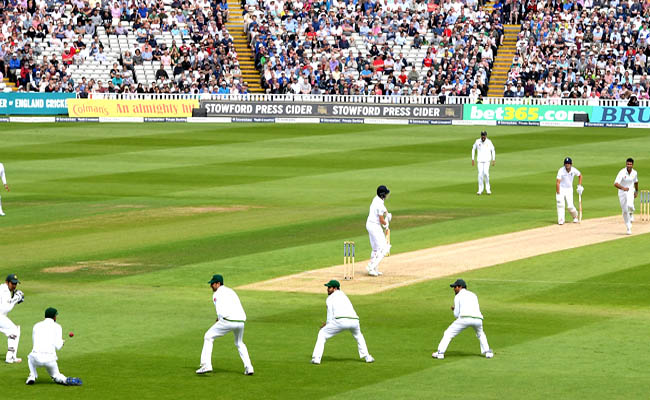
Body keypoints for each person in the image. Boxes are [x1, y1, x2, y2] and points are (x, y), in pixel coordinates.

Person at [197, 274, 254, 375]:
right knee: (239, 342)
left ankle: (206, 365)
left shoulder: (216, 294)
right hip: (241, 321)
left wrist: (219, 319)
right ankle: (249, 367)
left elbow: (219, 309)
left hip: (228, 321)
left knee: (208, 336)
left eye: (213, 284)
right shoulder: (231, 291)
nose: (211, 286)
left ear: (218, 284)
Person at [311, 280, 374, 365]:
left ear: (335, 288)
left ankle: (316, 358)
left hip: (341, 321)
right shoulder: (344, 295)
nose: (327, 289)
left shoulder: (330, 298)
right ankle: (368, 357)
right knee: (359, 336)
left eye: (329, 287)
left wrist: (327, 324)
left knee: (322, 333)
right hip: (354, 320)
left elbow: (330, 313)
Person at [432, 279, 493, 359]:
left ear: (460, 287)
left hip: (465, 318)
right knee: (481, 333)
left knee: (448, 333)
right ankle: (488, 352)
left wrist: (455, 310)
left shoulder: (458, 296)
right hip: (478, 319)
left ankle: (440, 353)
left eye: (455, 287)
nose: (454, 289)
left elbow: (457, 314)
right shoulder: (473, 295)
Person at [26, 308, 82, 386]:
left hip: (36, 357)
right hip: (50, 359)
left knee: (30, 358)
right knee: (56, 376)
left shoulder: (36, 325)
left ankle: (32, 376)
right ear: (54, 317)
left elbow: (34, 341)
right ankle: (64, 380)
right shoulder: (58, 327)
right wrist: (62, 342)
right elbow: (58, 346)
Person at [366, 185, 391, 277]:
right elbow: (381, 220)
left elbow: (383, 209)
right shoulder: (379, 204)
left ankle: (374, 268)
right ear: (382, 195)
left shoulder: (376, 199)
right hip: (374, 226)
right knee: (384, 248)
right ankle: (371, 267)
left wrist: (387, 214)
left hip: (370, 224)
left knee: (376, 248)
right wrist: (386, 224)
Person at [0, 273, 23, 364]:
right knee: (14, 330)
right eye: (12, 283)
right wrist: (16, 299)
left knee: (15, 330)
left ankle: (12, 356)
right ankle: (10, 357)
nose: (14, 286)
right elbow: (5, 308)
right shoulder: (5, 291)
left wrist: (14, 299)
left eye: (15, 283)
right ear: (7, 282)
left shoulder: (3, 289)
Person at [614, 158, 638, 235]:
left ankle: (631, 212)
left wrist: (636, 191)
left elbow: (636, 182)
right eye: (628, 164)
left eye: (630, 164)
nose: (629, 165)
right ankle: (628, 227)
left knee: (630, 205)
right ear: (626, 164)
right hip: (622, 192)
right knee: (624, 211)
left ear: (632, 165)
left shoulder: (634, 172)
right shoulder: (622, 172)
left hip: (630, 190)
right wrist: (623, 188)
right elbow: (615, 183)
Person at [556, 157, 583, 225]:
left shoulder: (573, 170)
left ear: (571, 164)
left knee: (570, 206)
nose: (567, 165)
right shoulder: (561, 170)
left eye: (568, 164)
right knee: (560, 204)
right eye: (566, 164)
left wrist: (579, 185)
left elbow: (580, 175)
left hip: (569, 189)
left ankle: (575, 216)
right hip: (561, 189)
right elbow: (558, 182)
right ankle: (561, 219)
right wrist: (558, 193)